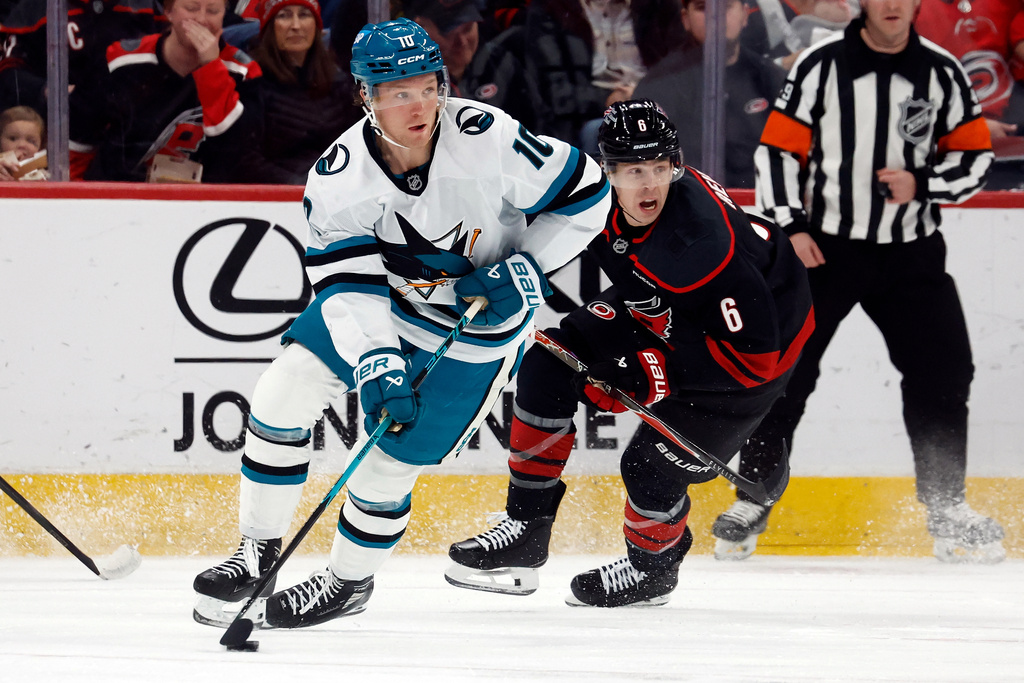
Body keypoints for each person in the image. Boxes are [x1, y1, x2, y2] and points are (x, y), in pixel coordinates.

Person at [192, 17, 610, 629]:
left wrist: (528, 265)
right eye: (398, 92)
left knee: (388, 463)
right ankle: (256, 552)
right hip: (387, 306)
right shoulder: (340, 176)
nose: (419, 106)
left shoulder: (487, 137)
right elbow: (347, 282)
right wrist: (376, 356)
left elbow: (589, 193)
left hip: (475, 330)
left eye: (427, 87)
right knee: (284, 388)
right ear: (366, 96)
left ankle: (347, 582)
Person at [444, 99, 814, 608]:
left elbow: (755, 357)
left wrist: (650, 373)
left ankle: (652, 571)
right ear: (608, 171)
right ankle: (526, 529)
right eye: (634, 171)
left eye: (660, 168)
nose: (649, 186)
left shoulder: (701, 244)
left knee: (648, 466)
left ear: (675, 166)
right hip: (663, 302)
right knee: (548, 366)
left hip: (754, 349)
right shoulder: (593, 198)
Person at [713, 0, 1005, 564]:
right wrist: (791, 227)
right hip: (825, 249)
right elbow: (778, 152)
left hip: (912, 251)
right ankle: (752, 496)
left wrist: (922, 182)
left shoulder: (942, 70)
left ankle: (947, 505)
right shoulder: (819, 66)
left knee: (945, 375)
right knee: (784, 374)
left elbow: (974, 159)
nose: (892, 4)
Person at [67, 0, 261, 182]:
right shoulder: (120, 61)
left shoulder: (245, 73)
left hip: (206, 199)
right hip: (120, 193)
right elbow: (77, 143)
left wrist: (211, 67)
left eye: (213, 11)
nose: (202, 20)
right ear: (168, 12)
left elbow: (240, 154)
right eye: (191, 8)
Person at [633, 0, 785, 188]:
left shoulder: (771, 79)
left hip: (758, 199)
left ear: (745, 15)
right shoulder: (657, 86)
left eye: (726, 6)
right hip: (688, 199)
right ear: (685, 19)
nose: (715, 15)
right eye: (702, 7)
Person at [231, 0, 362, 183]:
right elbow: (246, 162)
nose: (296, 26)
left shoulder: (338, 81)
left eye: (304, 15)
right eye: (284, 16)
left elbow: (358, 149)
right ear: (269, 26)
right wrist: (303, 185)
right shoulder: (251, 83)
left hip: (335, 187)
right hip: (280, 193)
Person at [0, 0, 166, 115]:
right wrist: (50, 91)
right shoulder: (36, 7)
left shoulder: (148, 7)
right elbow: (9, 71)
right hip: (56, 125)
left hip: (131, 122)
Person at [0, 104, 47, 180]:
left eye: (31, 141)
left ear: (40, 146)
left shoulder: (46, 176)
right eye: (13, 139)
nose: (22, 145)